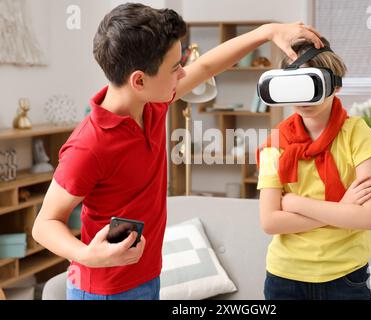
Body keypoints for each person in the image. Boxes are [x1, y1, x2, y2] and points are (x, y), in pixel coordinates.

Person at [31, 3, 325, 300]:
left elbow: (208, 66)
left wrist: (268, 32)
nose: (183, 72)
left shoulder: (152, 105)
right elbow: (44, 225)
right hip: (104, 291)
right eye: (175, 67)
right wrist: (88, 255)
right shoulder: (88, 146)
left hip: (148, 277)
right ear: (139, 80)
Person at [257, 37, 371, 300]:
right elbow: (270, 222)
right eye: (295, 87)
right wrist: (342, 209)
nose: (304, 98)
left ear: (335, 87)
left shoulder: (357, 134)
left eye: (312, 85)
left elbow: (368, 218)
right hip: (285, 278)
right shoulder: (275, 142)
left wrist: (294, 202)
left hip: (345, 278)